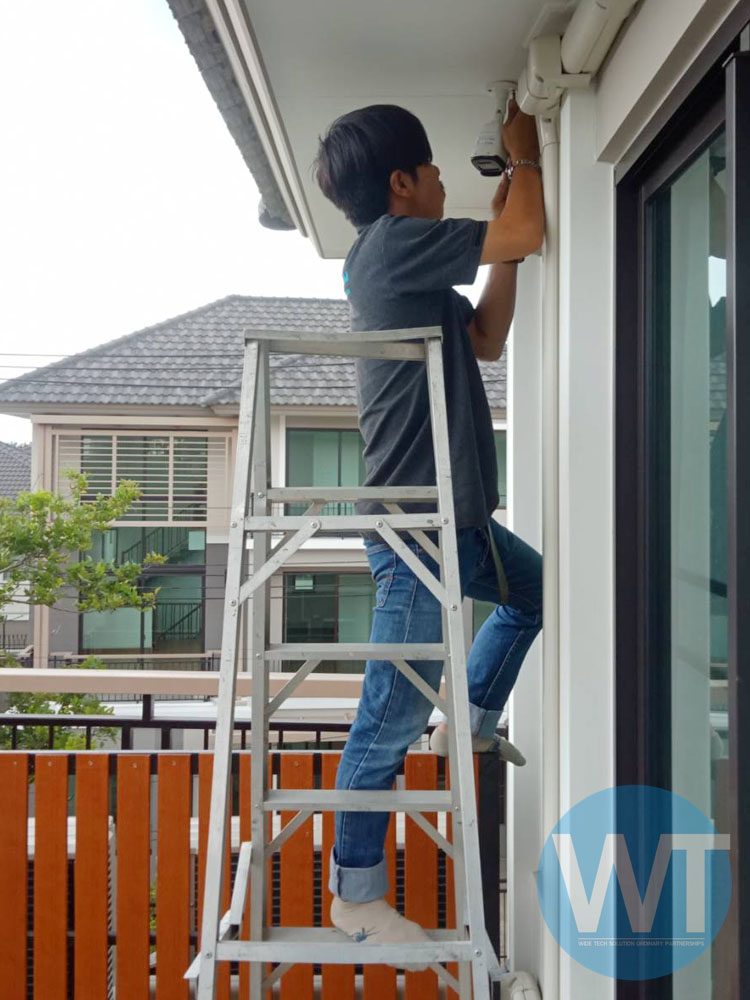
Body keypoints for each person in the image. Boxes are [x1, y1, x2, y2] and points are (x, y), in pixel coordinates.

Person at [312, 97, 544, 962]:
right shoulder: (387, 248)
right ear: (402, 183)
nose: (448, 179)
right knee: (388, 718)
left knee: (531, 592)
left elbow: (486, 337)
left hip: (456, 521)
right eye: (437, 168)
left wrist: (504, 238)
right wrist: (525, 156)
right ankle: (355, 894)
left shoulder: (406, 267)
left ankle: (471, 720)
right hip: (415, 531)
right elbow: (526, 230)